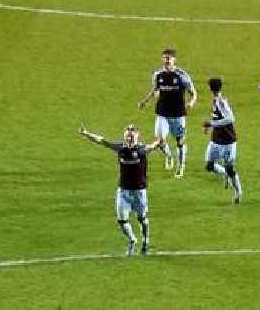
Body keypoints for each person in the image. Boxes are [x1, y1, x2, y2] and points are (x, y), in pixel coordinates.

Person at [78, 124, 160, 255]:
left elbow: (154, 146)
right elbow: (102, 141)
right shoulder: (120, 148)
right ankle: (132, 240)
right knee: (122, 220)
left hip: (140, 192)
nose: (130, 138)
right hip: (123, 191)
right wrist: (87, 134)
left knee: (142, 219)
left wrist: (159, 141)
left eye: (132, 136)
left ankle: (145, 240)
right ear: (125, 137)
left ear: (137, 136)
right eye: (128, 136)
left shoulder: (142, 150)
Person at [138, 48, 197, 178]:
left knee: (180, 141)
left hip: (178, 115)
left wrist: (191, 103)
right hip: (162, 113)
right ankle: (169, 156)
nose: (166, 60)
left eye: (168, 58)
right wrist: (145, 101)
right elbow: (154, 90)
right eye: (164, 58)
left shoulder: (181, 75)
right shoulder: (158, 74)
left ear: (174, 60)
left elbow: (193, 93)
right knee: (160, 141)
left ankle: (181, 165)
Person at [202, 78, 242, 203]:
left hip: (228, 140)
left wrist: (211, 124)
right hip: (216, 139)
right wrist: (208, 127)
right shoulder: (215, 100)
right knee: (209, 166)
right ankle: (224, 173)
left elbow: (230, 119)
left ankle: (238, 192)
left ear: (210, 88)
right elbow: (215, 115)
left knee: (230, 168)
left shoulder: (220, 101)